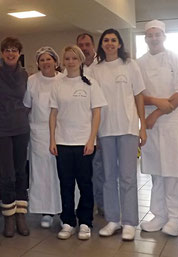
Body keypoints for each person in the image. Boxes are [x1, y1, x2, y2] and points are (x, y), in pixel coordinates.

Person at [91, 29, 147, 241]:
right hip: (105, 129)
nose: (110, 43)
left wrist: (142, 126)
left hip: (128, 128)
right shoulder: (95, 69)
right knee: (108, 177)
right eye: (106, 40)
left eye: (114, 40)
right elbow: (91, 102)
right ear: (102, 44)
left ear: (120, 44)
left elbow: (139, 95)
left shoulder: (131, 65)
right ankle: (113, 219)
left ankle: (130, 222)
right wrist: (92, 132)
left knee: (127, 176)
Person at [138, 20, 178, 236]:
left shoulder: (176, 59)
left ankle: (176, 217)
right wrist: (156, 103)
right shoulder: (139, 63)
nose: (153, 38)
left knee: (173, 171)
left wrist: (157, 113)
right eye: (149, 35)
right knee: (156, 172)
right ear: (145, 38)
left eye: (157, 34)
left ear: (164, 37)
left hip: (173, 123)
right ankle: (159, 214)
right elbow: (138, 94)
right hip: (150, 123)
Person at [49, 45, 107, 240]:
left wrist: (92, 139)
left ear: (81, 60)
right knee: (65, 184)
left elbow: (97, 113)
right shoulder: (58, 84)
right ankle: (67, 222)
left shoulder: (91, 83)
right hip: (63, 142)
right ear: (63, 61)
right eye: (67, 58)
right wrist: (52, 139)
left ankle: (85, 222)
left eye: (74, 58)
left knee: (85, 184)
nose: (71, 62)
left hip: (84, 142)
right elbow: (53, 114)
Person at [0, 37, 30, 237]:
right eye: (7, 50)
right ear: (2, 53)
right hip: (1, 130)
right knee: (7, 174)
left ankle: (21, 215)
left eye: (14, 50)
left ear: (19, 53)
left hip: (21, 128)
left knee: (21, 172)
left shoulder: (25, 75)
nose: (11, 53)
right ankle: (9, 218)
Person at [23, 46, 62, 229]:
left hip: (62, 133)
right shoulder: (32, 81)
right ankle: (46, 211)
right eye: (42, 60)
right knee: (42, 174)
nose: (46, 63)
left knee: (61, 173)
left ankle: (63, 209)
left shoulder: (64, 80)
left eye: (49, 59)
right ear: (38, 63)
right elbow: (27, 106)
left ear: (56, 61)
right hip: (38, 133)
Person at [77, 32, 105, 217]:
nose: (85, 48)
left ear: (93, 46)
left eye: (87, 44)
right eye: (81, 45)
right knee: (84, 170)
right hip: (79, 128)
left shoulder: (102, 66)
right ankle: (86, 204)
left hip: (101, 123)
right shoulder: (72, 68)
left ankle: (101, 203)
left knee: (101, 167)